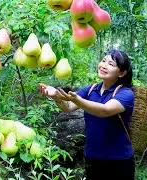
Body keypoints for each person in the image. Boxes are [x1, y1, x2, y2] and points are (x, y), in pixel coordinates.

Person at [38, 49, 135, 180]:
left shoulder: (125, 93)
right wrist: (56, 96)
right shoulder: (91, 89)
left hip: (119, 160)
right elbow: (68, 107)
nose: (104, 65)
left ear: (122, 73)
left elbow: (104, 110)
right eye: (103, 61)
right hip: (92, 157)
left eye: (111, 64)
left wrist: (78, 99)